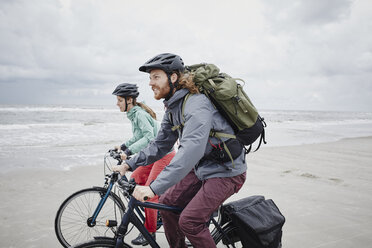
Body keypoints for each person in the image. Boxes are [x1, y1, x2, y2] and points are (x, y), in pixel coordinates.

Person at [113, 53, 246, 248]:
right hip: (202, 167)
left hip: (226, 172)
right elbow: (160, 144)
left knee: (190, 221)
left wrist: (153, 187)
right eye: (150, 78)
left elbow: (191, 150)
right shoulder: (173, 106)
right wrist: (129, 163)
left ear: (173, 77)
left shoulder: (196, 103)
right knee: (167, 205)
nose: (150, 83)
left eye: (156, 77)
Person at [112, 83, 176, 246]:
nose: (117, 104)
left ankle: (150, 231)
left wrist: (128, 152)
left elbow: (148, 138)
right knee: (133, 178)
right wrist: (124, 146)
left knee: (148, 194)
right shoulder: (134, 114)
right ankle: (156, 212)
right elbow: (138, 136)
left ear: (129, 100)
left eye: (120, 100)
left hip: (163, 155)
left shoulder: (139, 114)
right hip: (153, 155)